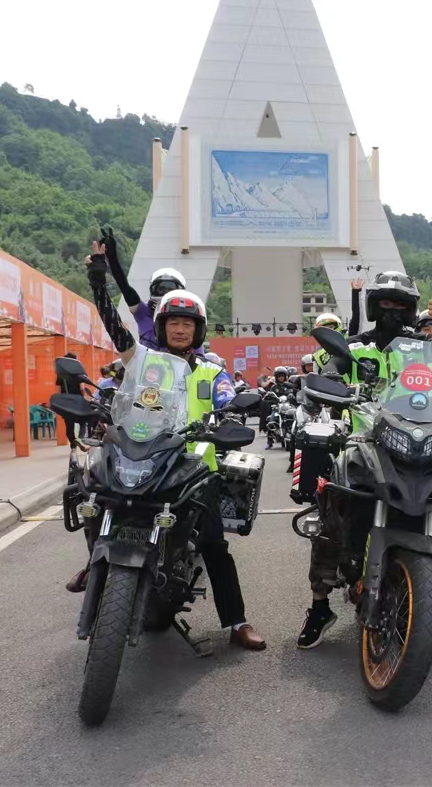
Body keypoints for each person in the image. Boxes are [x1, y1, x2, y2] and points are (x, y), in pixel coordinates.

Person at [80, 250, 266, 650]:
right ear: (161, 327)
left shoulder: (212, 371)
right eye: (173, 323)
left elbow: (227, 398)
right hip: (146, 456)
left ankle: (237, 622)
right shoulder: (143, 362)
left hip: (194, 469)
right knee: (99, 500)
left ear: (197, 331)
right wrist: (99, 283)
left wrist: (232, 413)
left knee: (214, 544)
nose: (180, 330)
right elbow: (116, 330)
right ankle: (95, 560)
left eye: (187, 324)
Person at [298, 271, 432, 648]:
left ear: (412, 309)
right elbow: (333, 371)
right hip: (363, 440)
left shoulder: (422, 348)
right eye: (385, 302)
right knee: (331, 517)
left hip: (419, 439)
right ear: (372, 306)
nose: (392, 310)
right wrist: (331, 383)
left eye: (401, 304)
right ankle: (319, 607)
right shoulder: (357, 346)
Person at [89, 227, 198, 352]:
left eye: (186, 324)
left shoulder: (193, 317)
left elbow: (199, 356)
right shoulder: (143, 311)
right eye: (161, 288)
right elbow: (124, 287)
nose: (179, 330)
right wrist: (111, 259)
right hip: (146, 364)